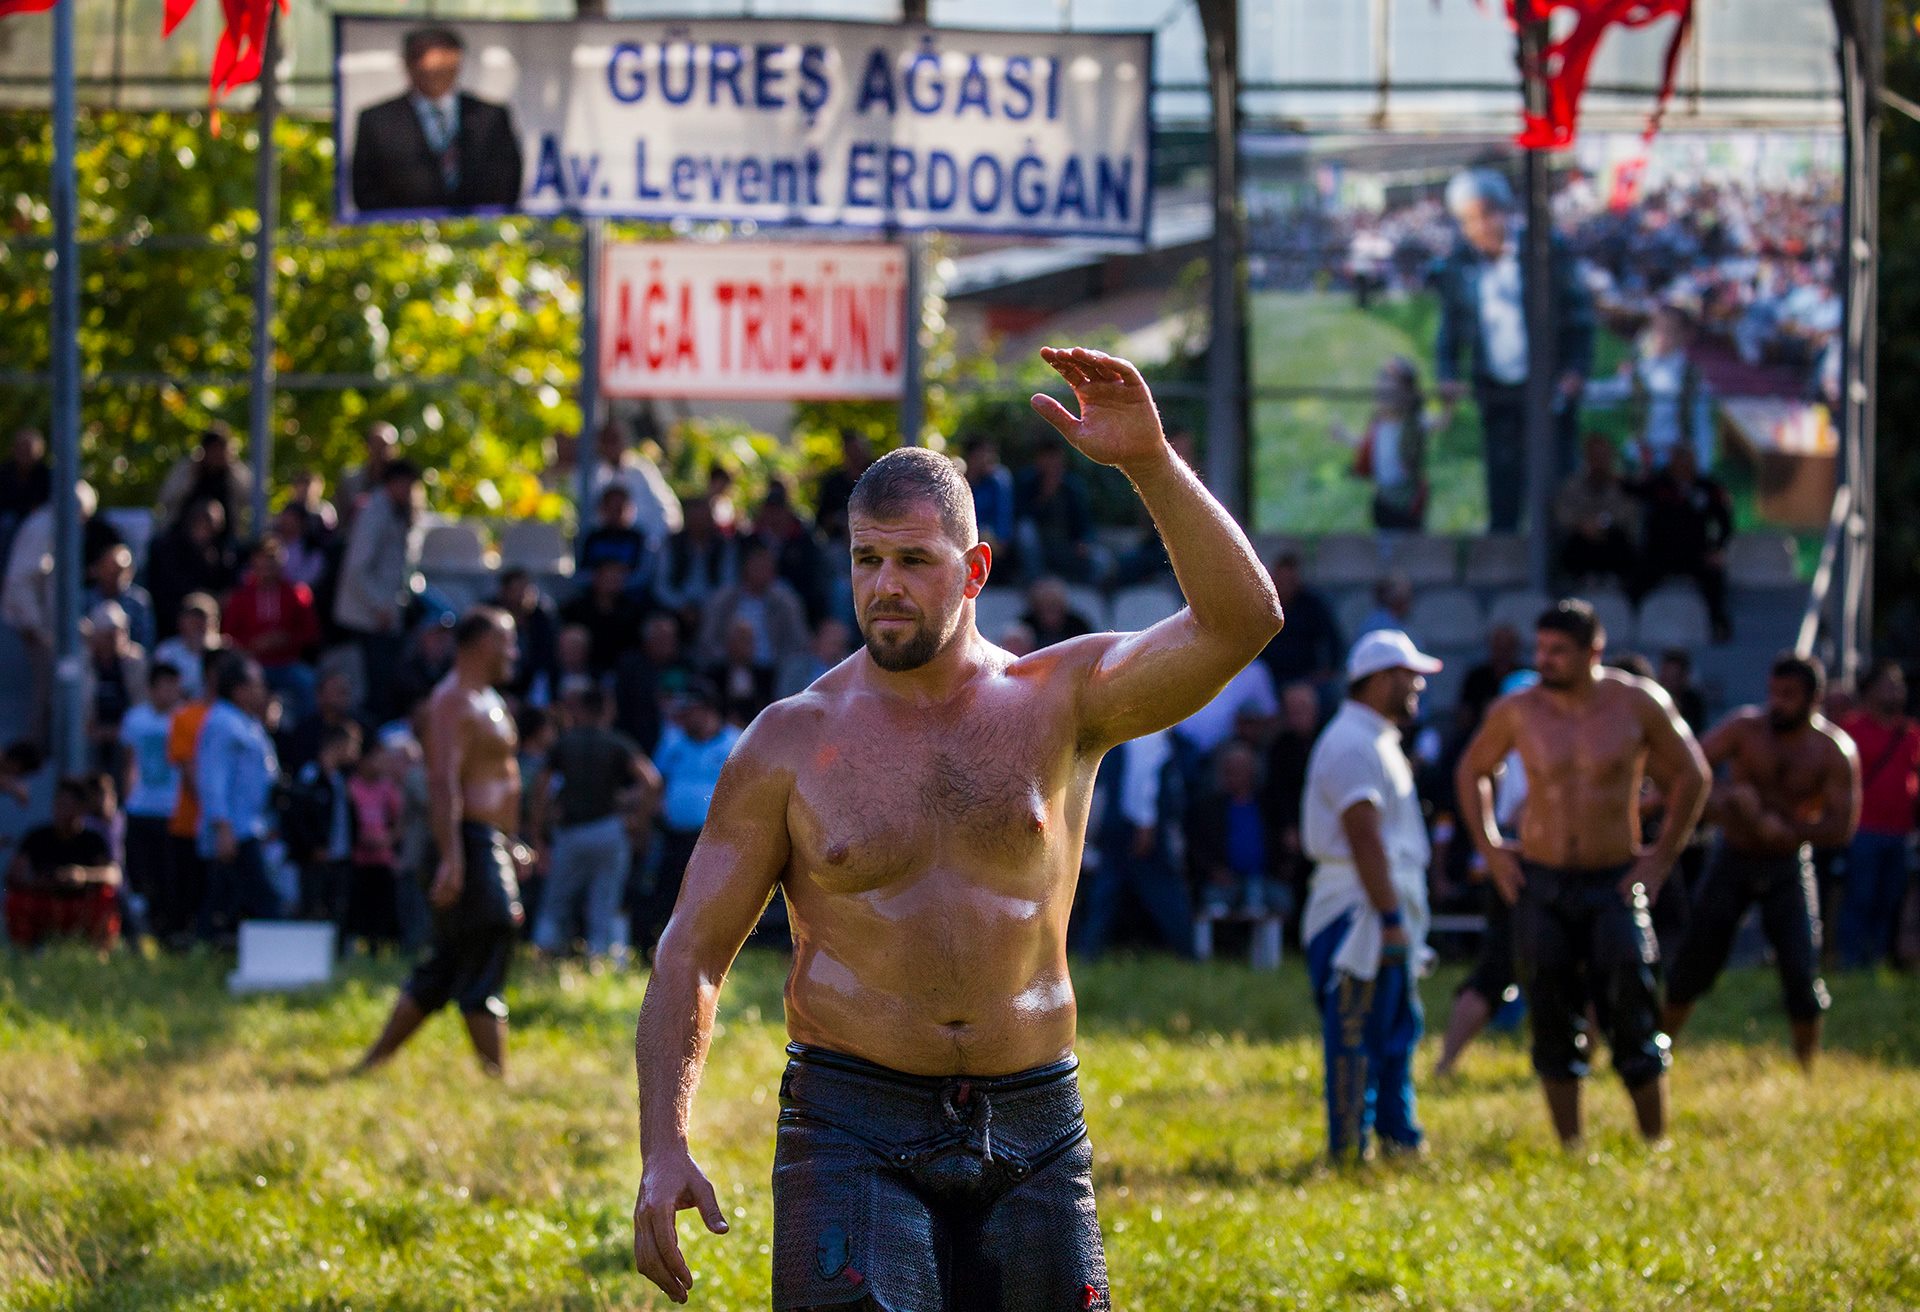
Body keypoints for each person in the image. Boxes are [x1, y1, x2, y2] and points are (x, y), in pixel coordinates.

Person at [628, 347, 1283, 1308]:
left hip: (1035, 1116)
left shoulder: (1062, 700)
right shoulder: (790, 742)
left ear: (973, 569)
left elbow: (1241, 623)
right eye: (866, 559)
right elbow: (692, 950)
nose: (884, 587)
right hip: (850, 1116)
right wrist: (663, 1144)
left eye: (912, 562)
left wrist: (1149, 461)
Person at [1454, 600, 1708, 1145]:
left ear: (1593, 651)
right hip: (1541, 879)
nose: (1544, 660)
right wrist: (1492, 849)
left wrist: (1661, 857)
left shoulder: (1636, 703)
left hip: (1613, 878)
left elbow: (1692, 775)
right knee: (1549, 1013)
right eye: (1540, 648)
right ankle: (1571, 1146)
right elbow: (1472, 770)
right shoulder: (1518, 709)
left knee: (1632, 1005)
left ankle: (1655, 1142)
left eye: (1558, 652)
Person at [1665, 656, 1859, 1070]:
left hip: (1787, 864)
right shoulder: (1744, 728)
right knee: (1692, 963)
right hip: (1732, 856)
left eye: (1789, 696)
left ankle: (1807, 1068)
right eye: (1774, 693)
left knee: (1800, 971)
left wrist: (1789, 830)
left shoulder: (1832, 751)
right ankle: (1662, 1050)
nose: (1777, 704)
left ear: (1814, 699)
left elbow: (1841, 827)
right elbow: (1687, 775)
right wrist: (1732, 802)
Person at [354, 608, 526, 1077]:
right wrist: (451, 856)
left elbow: (502, 779)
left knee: (449, 960)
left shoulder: (489, 699)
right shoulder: (450, 701)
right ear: (477, 645)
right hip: (465, 841)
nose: (514, 651)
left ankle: (373, 1062)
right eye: (506, 641)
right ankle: (497, 1077)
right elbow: (442, 781)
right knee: (492, 932)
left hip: (488, 841)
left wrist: (510, 842)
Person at [1300, 631, 1442, 1161]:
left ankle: (1397, 1138)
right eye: (1410, 675)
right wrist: (1388, 917)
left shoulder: (1375, 737)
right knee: (1357, 1035)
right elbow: (1364, 835)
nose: (1419, 685)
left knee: (1396, 1029)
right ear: (1381, 678)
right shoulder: (1351, 743)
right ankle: (1348, 1150)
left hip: (1378, 908)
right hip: (1357, 913)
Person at [1433, 169, 1595, 533]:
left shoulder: (1546, 248)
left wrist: (1575, 370)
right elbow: (1450, 328)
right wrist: (1448, 374)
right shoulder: (1461, 265)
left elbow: (1579, 313)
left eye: (1487, 214)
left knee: (1555, 474)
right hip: (1497, 389)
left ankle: (1560, 555)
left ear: (1504, 211)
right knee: (1503, 477)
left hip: (1547, 385)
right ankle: (1506, 555)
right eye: (1470, 220)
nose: (1481, 227)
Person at [530, 684, 656, 962]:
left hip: (570, 833)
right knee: (605, 901)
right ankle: (602, 961)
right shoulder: (617, 742)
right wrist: (638, 822)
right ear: (607, 711)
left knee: (556, 900)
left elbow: (541, 787)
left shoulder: (565, 743)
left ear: (581, 709)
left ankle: (544, 955)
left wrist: (538, 832)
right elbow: (651, 780)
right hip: (609, 830)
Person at [351, 26, 524, 214]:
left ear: (457, 61)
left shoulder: (490, 116)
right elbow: (366, 189)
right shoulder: (377, 121)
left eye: (442, 64)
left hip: (478, 233)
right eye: (421, 58)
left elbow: (507, 180)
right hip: (405, 235)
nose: (431, 68)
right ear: (408, 64)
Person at [631, 680, 740, 958]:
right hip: (672, 835)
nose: (684, 717)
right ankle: (655, 952)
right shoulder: (673, 741)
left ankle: (708, 953)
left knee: (708, 898)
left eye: (690, 711)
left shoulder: (736, 741)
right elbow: (657, 782)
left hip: (714, 839)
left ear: (708, 711)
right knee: (664, 893)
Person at [1074, 728, 1189, 958]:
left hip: (1120, 822)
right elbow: (1142, 780)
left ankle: (1088, 953)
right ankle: (1188, 952)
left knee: (1106, 892)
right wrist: (1144, 823)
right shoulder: (1151, 731)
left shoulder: (1134, 731)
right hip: (1137, 826)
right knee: (1163, 891)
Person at [1836, 660, 1920, 969]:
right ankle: (1851, 962)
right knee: (1860, 898)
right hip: (1863, 830)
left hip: (1900, 832)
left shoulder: (1911, 734)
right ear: (1869, 690)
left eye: (1898, 684)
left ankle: (1881, 961)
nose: (1895, 691)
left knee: (1891, 901)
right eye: (1887, 684)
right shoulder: (1850, 730)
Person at [195, 655, 283, 940]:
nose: (262, 691)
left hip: (250, 825)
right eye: (256, 685)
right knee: (263, 901)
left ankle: (207, 946)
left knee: (227, 899)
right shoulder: (223, 723)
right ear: (238, 689)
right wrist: (222, 826)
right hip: (235, 829)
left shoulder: (246, 722)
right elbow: (212, 777)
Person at [334, 459, 423, 723]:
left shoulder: (400, 511)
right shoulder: (375, 511)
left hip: (386, 616)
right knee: (374, 690)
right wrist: (379, 606)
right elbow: (357, 569)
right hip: (369, 618)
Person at [4, 777, 121, 950]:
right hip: (44, 900)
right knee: (16, 900)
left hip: (80, 903)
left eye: (69, 806)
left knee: (107, 897)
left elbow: (114, 874)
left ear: (82, 809)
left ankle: (100, 955)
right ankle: (25, 952)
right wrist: (39, 882)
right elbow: (12, 875)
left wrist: (82, 875)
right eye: (59, 805)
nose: (62, 812)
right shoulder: (37, 836)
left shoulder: (92, 839)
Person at [1632, 442, 1733, 642]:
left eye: (1688, 462)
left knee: (1714, 578)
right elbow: (1633, 493)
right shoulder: (1657, 485)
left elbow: (1725, 522)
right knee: (1636, 579)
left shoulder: (1708, 488)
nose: (1683, 467)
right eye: (1678, 462)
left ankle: (1717, 625)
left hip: (1696, 554)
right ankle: (1633, 623)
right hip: (1660, 554)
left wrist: (1717, 549)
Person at [119, 662, 183, 945]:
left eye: (175, 686)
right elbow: (129, 763)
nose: (171, 693)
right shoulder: (135, 719)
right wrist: (127, 800)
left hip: (172, 811)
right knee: (142, 877)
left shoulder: (182, 719)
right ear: (152, 688)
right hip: (141, 810)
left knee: (170, 877)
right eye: (165, 686)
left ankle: (168, 933)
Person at [223, 535, 320, 720]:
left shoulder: (297, 594)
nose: (267, 571)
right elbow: (228, 635)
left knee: (308, 684)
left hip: (287, 663)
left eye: (272, 565)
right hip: (253, 665)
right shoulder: (241, 597)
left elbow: (311, 633)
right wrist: (252, 644)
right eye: (262, 565)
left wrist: (286, 638)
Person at [1333, 357, 1436, 532]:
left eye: (1395, 390)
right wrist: (1345, 437)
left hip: (1408, 503)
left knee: (1410, 542)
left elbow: (1437, 423)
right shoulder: (1378, 425)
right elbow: (1367, 445)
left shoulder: (1413, 424)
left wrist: (1449, 406)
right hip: (1382, 501)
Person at [1554, 435, 1642, 591]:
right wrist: (1582, 524)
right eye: (1594, 456)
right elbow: (1562, 514)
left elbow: (1627, 515)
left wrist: (1601, 523)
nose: (1599, 461)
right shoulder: (1572, 486)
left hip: (1614, 543)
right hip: (1581, 543)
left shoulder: (1623, 487)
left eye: (1603, 456)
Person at [344, 740, 407, 954]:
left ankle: (381, 946)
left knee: (383, 906)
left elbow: (400, 820)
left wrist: (388, 840)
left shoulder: (387, 788)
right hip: (358, 859)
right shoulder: (351, 786)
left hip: (383, 858)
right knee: (359, 905)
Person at [1258, 551, 1343, 694]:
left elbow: (1334, 640)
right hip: (1268, 678)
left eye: (1290, 581)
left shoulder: (1313, 605)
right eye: (1282, 580)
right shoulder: (1261, 605)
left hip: (1306, 678)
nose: (1286, 586)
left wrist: (1328, 672)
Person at [156, 426, 253, 542]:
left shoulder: (234, 473)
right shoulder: (188, 469)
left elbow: (250, 497)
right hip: (182, 537)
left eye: (220, 449)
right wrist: (192, 473)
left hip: (226, 540)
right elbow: (166, 498)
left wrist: (232, 468)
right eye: (213, 449)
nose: (216, 455)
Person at [86, 542, 156, 652]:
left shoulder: (139, 600)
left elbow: (146, 641)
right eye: (110, 570)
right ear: (99, 569)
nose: (115, 576)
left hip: (128, 660)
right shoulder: (85, 599)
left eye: (120, 571)